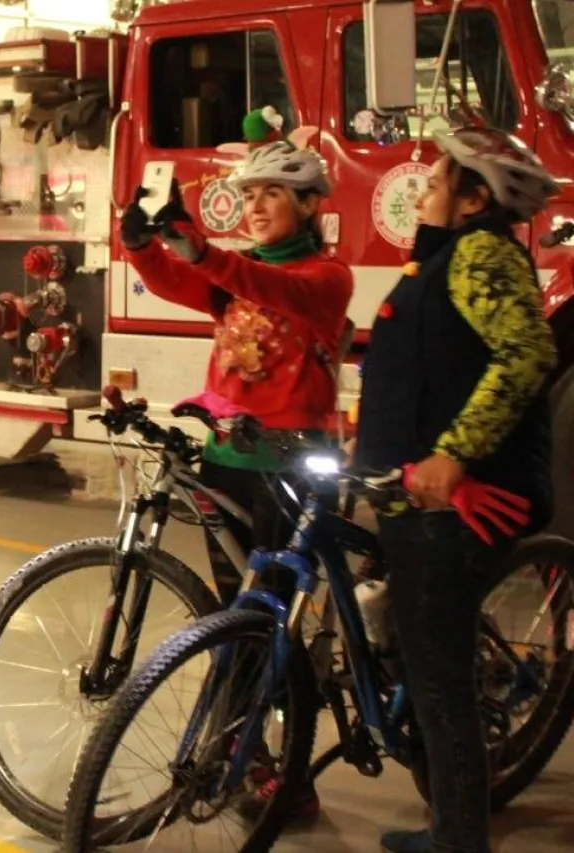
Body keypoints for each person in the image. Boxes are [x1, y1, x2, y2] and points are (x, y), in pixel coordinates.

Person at [119, 109, 354, 819]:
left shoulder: (325, 277)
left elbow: (261, 285)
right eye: (247, 196)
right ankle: (240, 751)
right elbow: (179, 282)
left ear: (311, 205)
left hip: (293, 468)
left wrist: (196, 247)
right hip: (228, 460)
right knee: (236, 619)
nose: (253, 207)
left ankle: (293, 773)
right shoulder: (235, 277)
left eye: (272, 195)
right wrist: (142, 244)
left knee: (282, 626)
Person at [354, 127, 558, 853]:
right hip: (412, 500)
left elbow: (529, 352)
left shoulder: (480, 253)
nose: (424, 191)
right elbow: (425, 359)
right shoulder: (443, 259)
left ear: (475, 197)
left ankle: (457, 841)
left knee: (441, 689)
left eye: (438, 180)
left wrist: (454, 455)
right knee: (423, 660)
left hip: (453, 503)